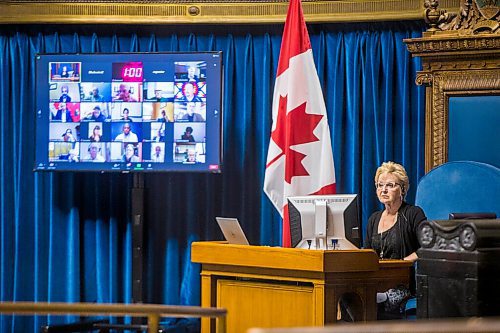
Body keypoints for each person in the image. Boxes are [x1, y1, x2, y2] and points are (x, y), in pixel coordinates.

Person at [365, 161, 427, 319]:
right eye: (380, 185)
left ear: (403, 189)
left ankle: (380, 298)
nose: (383, 190)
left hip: (403, 282)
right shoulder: (373, 219)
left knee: (384, 297)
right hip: (377, 279)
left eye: (390, 185)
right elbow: (366, 252)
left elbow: (428, 245)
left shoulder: (413, 214)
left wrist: (405, 262)